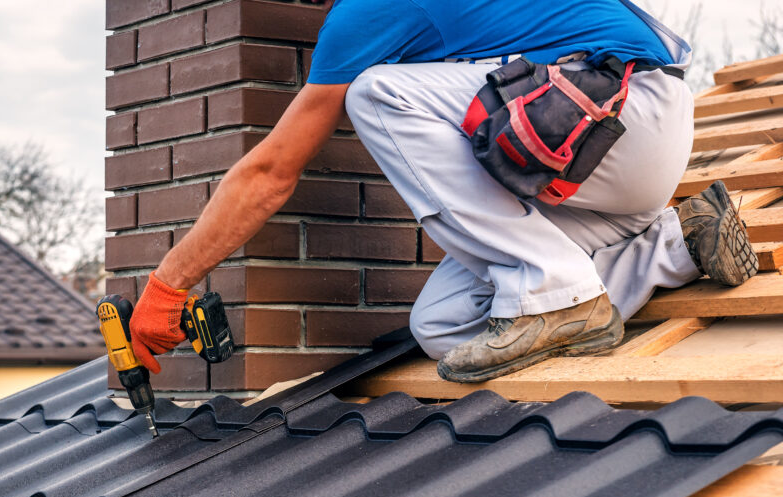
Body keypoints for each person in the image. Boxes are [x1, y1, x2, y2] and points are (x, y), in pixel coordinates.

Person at [128, 0, 757, 383]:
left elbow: (270, 173)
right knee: (445, 328)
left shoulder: (372, 10)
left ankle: (551, 286)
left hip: (618, 113)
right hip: (621, 161)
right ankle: (674, 245)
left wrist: (169, 284)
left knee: (378, 91)